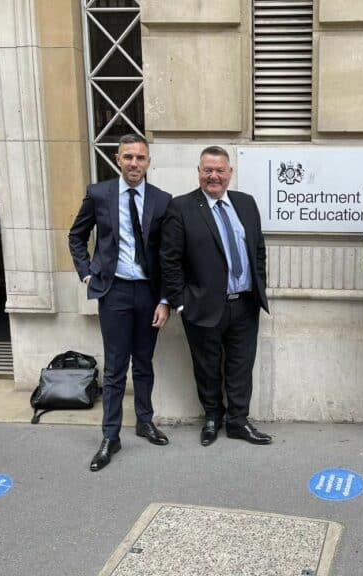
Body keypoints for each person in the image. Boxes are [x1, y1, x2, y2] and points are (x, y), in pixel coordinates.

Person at [68, 134, 172, 472]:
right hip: (113, 292)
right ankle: (110, 436)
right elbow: (76, 235)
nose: (134, 163)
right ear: (117, 159)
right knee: (115, 368)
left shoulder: (161, 200)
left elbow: (168, 255)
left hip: (148, 293)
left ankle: (144, 421)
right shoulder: (99, 193)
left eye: (140, 158)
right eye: (128, 157)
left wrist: (165, 299)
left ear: (148, 162)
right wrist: (86, 273)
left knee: (144, 362)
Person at [161, 146, 271, 446]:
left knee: (240, 365)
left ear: (229, 173)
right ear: (198, 172)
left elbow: (257, 250)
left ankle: (238, 420)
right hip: (203, 305)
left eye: (220, 170)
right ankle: (212, 417)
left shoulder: (245, 204)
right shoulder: (181, 207)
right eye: (207, 170)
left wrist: (259, 284)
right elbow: (170, 260)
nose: (214, 176)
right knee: (207, 366)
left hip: (245, 304)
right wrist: (181, 301)